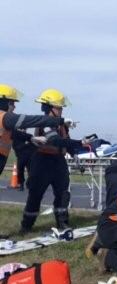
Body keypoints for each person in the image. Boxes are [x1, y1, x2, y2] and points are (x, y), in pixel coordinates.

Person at [20, 89, 79, 233]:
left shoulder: (62, 124)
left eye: (61, 108)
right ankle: (27, 225)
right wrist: (79, 143)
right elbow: (55, 140)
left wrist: (74, 153)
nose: (61, 111)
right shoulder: (44, 122)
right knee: (35, 194)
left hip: (59, 162)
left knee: (63, 194)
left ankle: (63, 223)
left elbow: (66, 141)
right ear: (49, 108)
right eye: (58, 107)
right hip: (42, 162)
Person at [0, 84, 68, 177]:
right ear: (4, 102)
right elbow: (29, 120)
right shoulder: (5, 117)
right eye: (12, 103)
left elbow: (13, 133)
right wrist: (60, 120)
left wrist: (31, 138)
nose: (14, 107)